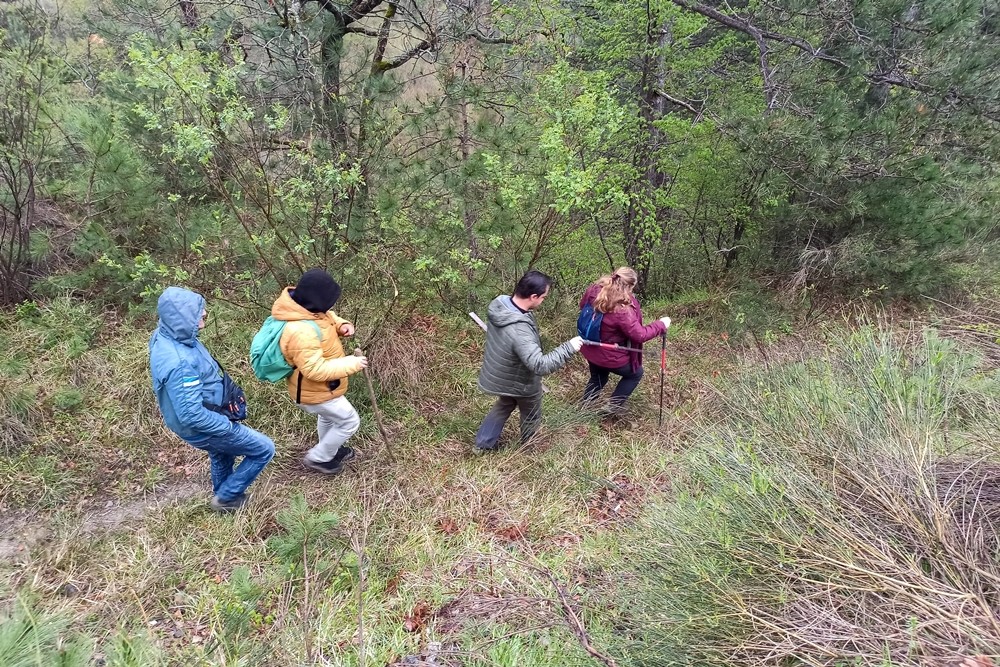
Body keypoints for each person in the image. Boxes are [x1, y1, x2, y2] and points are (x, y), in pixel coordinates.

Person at [149, 286, 275, 513]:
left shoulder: (168, 335)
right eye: (197, 319)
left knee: (221, 453)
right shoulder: (181, 362)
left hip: (210, 414)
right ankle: (226, 498)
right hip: (204, 424)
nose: (202, 324)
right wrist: (225, 426)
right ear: (180, 319)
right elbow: (190, 414)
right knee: (264, 448)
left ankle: (223, 497)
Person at [474, 270, 584, 452]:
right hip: (519, 379)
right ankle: (529, 449)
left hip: (503, 373)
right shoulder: (519, 329)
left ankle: (482, 445)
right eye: (544, 297)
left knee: (505, 403)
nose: (543, 301)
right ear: (533, 296)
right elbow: (540, 365)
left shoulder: (501, 304)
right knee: (531, 413)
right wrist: (569, 347)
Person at [271, 269, 368, 474]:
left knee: (328, 418)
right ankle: (319, 457)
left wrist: (342, 325)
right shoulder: (300, 331)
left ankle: (329, 450)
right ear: (316, 300)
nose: (331, 306)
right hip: (314, 390)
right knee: (350, 421)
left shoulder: (306, 308)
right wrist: (352, 363)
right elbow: (314, 370)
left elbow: (328, 318)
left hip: (322, 389)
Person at [579, 267, 671, 413]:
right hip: (610, 354)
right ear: (630, 286)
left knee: (598, 378)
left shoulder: (594, 289)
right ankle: (612, 407)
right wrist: (661, 325)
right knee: (635, 374)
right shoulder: (622, 309)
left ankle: (583, 407)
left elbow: (582, 306)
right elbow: (639, 335)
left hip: (590, 346)